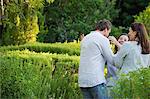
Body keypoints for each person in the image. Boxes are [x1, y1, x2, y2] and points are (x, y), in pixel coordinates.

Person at [78, 19, 114, 99]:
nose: (108, 35)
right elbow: (111, 59)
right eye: (109, 32)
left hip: (83, 80)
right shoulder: (102, 39)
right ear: (105, 29)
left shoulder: (86, 38)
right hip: (96, 80)